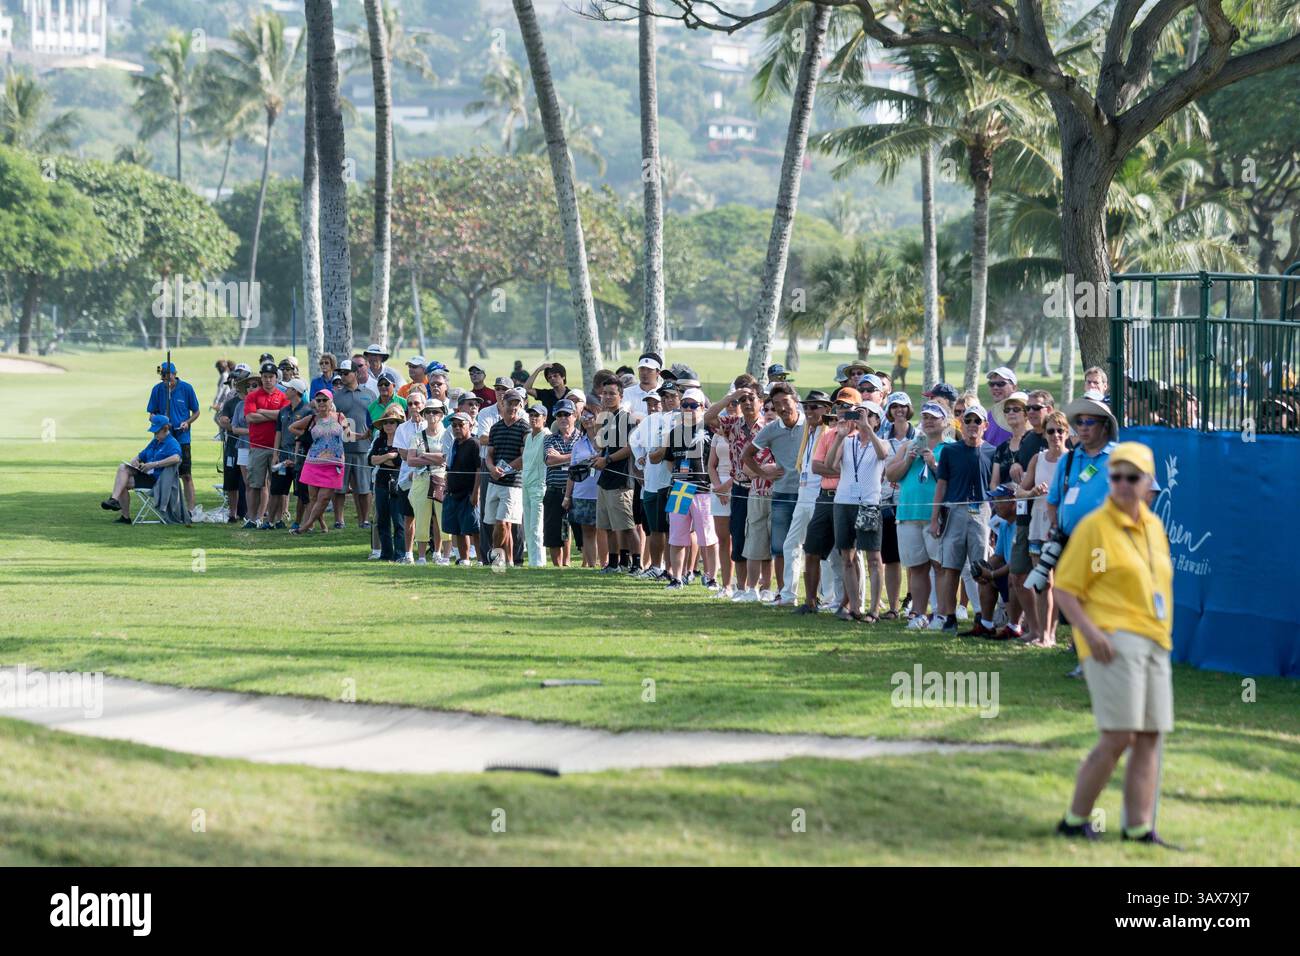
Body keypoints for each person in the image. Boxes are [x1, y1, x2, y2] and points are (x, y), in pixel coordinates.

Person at [1053, 442, 1176, 848]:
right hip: (1112, 638)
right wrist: (1091, 634)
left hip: (1155, 638)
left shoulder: (1154, 528)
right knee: (1119, 734)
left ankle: (1139, 828)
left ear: (1147, 484)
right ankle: (1075, 820)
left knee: (1150, 734)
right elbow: (1066, 591)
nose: (1122, 484)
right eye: (1116, 477)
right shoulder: (1094, 526)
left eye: (1131, 477)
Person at [885, 401, 953, 628]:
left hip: (937, 515)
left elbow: (953, 481)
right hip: (908, 513)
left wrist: (933, 464)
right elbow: (891, 475)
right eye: (926, 417)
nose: (929, 420)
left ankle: (942, 614)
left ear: (945, 422)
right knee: (916, 568)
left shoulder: (951, 448)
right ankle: (918, 614)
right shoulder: (908, 446)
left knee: (940, 566)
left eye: (935, 417)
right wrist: (908, 459)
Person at [929, 403, 996, 633]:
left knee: (981, 567)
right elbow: (941, 484)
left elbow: (996, 488)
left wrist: (996, 522)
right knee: (951, 567)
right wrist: (934, 516)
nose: (972, 425)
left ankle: (982, 615)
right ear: (962, 424)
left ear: (985, 425)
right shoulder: (950, 451)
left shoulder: (992, 452)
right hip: (954, 511)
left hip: (982, 512)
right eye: (968, 421)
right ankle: (949, 616)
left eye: (977, 421)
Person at [825, 401, 893, 622]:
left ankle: (874, 609)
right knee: (847, 557)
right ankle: (854, 607)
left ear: (876, 420)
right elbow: (829, 464)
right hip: (844, 502)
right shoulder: (848, 442)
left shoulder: (881, 442)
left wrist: (868, 429)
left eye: (869, 414)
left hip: (869, 503)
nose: (863, 418)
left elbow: (883, 455)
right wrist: (840, 436)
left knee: (874, 558)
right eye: (860, 414)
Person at [796, 387, 859, 616]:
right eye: (839, 407)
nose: (842, 411)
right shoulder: (828, 434)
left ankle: (849, 603)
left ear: (856, 410)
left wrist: (833, 468)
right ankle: (811, 601)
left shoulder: (860, 437)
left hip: (848, 500)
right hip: (825, 498)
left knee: (847, 554)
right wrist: (837, 469)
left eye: (847, 407)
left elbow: (851, 472)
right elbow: (817, 467)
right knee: (811, 549)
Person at [703, 376, 766, 600]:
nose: (747, 403)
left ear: (761, 401)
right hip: (739, 488)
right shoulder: (732, 425)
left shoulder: (767, 426)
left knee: (759, 538)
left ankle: (760, 588)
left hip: (761, 488)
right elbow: (708, 417)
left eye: (752, 399)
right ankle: (740, 588)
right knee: (738, 536)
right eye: (744, 399)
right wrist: (730, 397)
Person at [651, 387, 718, 590]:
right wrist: (679, 476)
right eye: (685, 405)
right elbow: (669, 460)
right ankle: (676, 577)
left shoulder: (708, 428)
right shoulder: (674, 432)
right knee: (677, 536)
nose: (688, 409)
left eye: (693, 405)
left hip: (703, 489)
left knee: (707, 537)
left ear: (702, 407)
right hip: (679, 489)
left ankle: (710, 577)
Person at [745, 381, 806, 607]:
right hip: (781, 495)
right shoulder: (771, 429)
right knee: (780, 548)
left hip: (807, 494)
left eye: (785, 402)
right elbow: (747, 454)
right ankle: (783, 593)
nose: (781, 408)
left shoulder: (809, 425)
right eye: (776, 404)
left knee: (809, 548)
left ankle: (813, 595)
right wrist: (764, 474)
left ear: (795, 401)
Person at [775, 389, 832, 608]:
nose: (809, 410)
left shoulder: (830, 433)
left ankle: (828, 597)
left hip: (821, 495)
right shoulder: (808, 431)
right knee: (790, 545)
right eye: (806, 406)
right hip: (803, 494)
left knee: (823, 549)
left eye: (815, 406)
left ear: (827, 409)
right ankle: (789, 595)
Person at [1022, 409, 1069, 646]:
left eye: (1060, 431)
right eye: (1051, 431)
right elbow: (1020, 490)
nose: (1055, 435)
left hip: (1062, 526)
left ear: (1067, 433)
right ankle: (1040, 633)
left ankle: (1050, 634)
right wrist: (1032, 492)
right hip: (1037, 524)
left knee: (1058, 583)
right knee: (1042, 582)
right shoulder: (1037, 459)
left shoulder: (1073, 460)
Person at [289, 388, 354, 535]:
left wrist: (363, 435)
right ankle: (323, 525)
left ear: (331, 402)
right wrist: (307, 435)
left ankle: (305, 526)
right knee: (314, 498)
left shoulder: (340, 417)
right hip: (313, 462)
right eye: (318, 400)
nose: (322, 403)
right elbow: (292, 427)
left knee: (324, 498)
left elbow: (349, 435)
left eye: (325, 400)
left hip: (334, 464)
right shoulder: (312, 419)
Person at [876, 391, 916, 619]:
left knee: (912, 558)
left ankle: (912, 602)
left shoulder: (919, 434)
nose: (899, 410)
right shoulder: (882, 435)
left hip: (909, 501)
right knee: (890, 558)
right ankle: (892, 606)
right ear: (889, 410)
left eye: (903, 406)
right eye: (894, 407)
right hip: (885, 501)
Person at [592, 378, 637, 573]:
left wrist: (607, 460)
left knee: (627, 526)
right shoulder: (607, 418)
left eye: (612, 393)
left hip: (621, 479)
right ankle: (614, 563)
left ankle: (636, 564)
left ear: (621, 396)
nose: (608, 397)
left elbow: (630, 448)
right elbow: (598, 445)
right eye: (605, 393)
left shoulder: (625, 418)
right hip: (605, 479)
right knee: (608, 526)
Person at [102, 414, 182, 522]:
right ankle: (115, 501)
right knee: (122, 468)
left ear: (165, 429)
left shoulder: (172, 443)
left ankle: (123, 514)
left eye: (156, 432)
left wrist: (154, 464)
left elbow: (176, 458)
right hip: (146, 474)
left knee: (122, 482)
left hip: (157, 481)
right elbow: (141, 455)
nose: (155, 434)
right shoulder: (155, 441)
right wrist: (135, 460)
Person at [330, 360, 376, 543]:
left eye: (346, 372)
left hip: (364, 448)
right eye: (341, 372)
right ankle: (339, 520)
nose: (343, 375)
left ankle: (364, 519)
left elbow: (374, 419)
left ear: (356, 373)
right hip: (342, 448)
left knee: (363, 488)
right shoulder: (336, 397)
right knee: (339, 488)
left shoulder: (369, 394)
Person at [146, 360, 201, 511]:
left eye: (168, 377)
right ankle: (173, 508)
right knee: (167, 474)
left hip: (182, 437)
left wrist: (187, 422)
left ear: (175, 374)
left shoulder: (186, 388)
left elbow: (196, 411)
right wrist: (161, 421)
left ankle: (190, 510)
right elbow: (151, 414)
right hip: (165, 438)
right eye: (163, 377)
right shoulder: (157, 390)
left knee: (186, 475)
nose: (166, 380)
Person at [485, 388, 529, 565]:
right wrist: (492, 468)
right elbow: (489, 454)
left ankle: (496, 560)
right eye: (509, 403)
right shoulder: (495, 428)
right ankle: (509, 561)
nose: (513, 407)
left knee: (502, 522)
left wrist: (506, 468)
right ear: (502, 404)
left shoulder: (524, 427)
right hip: (494, 480)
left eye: (516, 404)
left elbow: (524, 456)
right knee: (504, 524)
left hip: (513, 483)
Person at [244, 361, 289, 528]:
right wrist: (273, 415)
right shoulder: (252, 396)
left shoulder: (283, 396)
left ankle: (276, 519)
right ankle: (253, 518)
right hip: (257, 447)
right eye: (265, 377)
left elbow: (284, 416)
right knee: (255, 484)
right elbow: (250, 418)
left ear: (276, 378)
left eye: (271, 377)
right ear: (261, 378)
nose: (268, 380)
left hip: (278, 448)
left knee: (278, 485)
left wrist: (261, 412)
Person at [266, 379, 310, 530]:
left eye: (289, 388)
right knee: (277, 489)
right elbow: (278, 433)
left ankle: (298, 522)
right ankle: (270, 521)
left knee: (300, 492)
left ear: (296, 391)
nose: (285, 390)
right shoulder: (283, 411)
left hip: (300, 458)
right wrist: (275, 453)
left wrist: (297, 457)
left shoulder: (308, 411)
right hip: (283, 457)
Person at [440, 412, 482, 565]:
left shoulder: (474, 444)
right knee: (458, 528)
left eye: (460, 425)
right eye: (454, 425)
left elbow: (479, 469)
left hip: (469, 492)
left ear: (470, 425)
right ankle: (464, 559)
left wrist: (476, 492)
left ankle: (480, 559)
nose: (457, 428)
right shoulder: (455, 444)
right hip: (454, 492)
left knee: (474, 528)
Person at [369, 403, 408, 561]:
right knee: (382, 521)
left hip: (397, 483)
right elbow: (371, 459)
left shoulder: (402, 441)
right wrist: (388, 456)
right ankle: (386, 554)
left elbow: (398, 462)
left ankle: (399, 554)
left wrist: (384, 459)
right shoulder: (379, 441)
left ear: (398, 424)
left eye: (392, 422)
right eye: (385, 422)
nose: (388, 425)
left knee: (398, 521)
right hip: (381, 483)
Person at [542, 398, 579, 566]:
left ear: (574, 416)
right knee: (553, 530)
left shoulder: (582, 438)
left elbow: (584, 459)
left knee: (578, 529)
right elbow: (549, 460)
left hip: (577, 490)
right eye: (560, 415)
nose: (563, 418)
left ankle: (570, 562)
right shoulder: (550, 439)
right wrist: (574, 457)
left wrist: (561, 457)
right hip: (554, 489)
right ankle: (557, 565)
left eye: (567, 414)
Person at [565, 407, 602, 568]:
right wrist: (567, 496)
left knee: (603, 531)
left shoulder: (606, 441)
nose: (586, 418)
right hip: (581, 493)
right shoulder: (578, 444)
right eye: (584, 416)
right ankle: (592, 565)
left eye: (590, 415)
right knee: (587, 532)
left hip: (602, 492)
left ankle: (606, 563)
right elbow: (572, 473)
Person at [216, 367, 254, 523]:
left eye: (239, 380)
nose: (236, 383)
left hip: (249, 445)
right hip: (232, 444)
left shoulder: (252, 401)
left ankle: (248, 513)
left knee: (248, 481)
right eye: (235, 380)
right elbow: (223, 420)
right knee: (231, 480)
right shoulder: (231, 402)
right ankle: (232, 514)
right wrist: (225, 422)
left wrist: (233, 426)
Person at [522, 403, 551, 567]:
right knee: (528, 527)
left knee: (536, 527)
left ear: (544, 418)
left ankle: (539, 563)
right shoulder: (528, 437)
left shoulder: (547, 436)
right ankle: (533, 562)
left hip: (539, 486)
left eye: (537, 416)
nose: (533, 418)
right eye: (531, 415)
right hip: (526, 485)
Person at [982, 367, 1017, 446]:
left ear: (1014, 387)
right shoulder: (989, 416)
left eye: (1001, 384)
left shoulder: (1022, 414)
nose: (995, 387)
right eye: (991, 384)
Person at [622, 353, 663, 418]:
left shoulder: (664, 394)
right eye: (642, 368)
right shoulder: (627, 392)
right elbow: (623, 416)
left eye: (649, 369)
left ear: (658, 373)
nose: (644, 372)